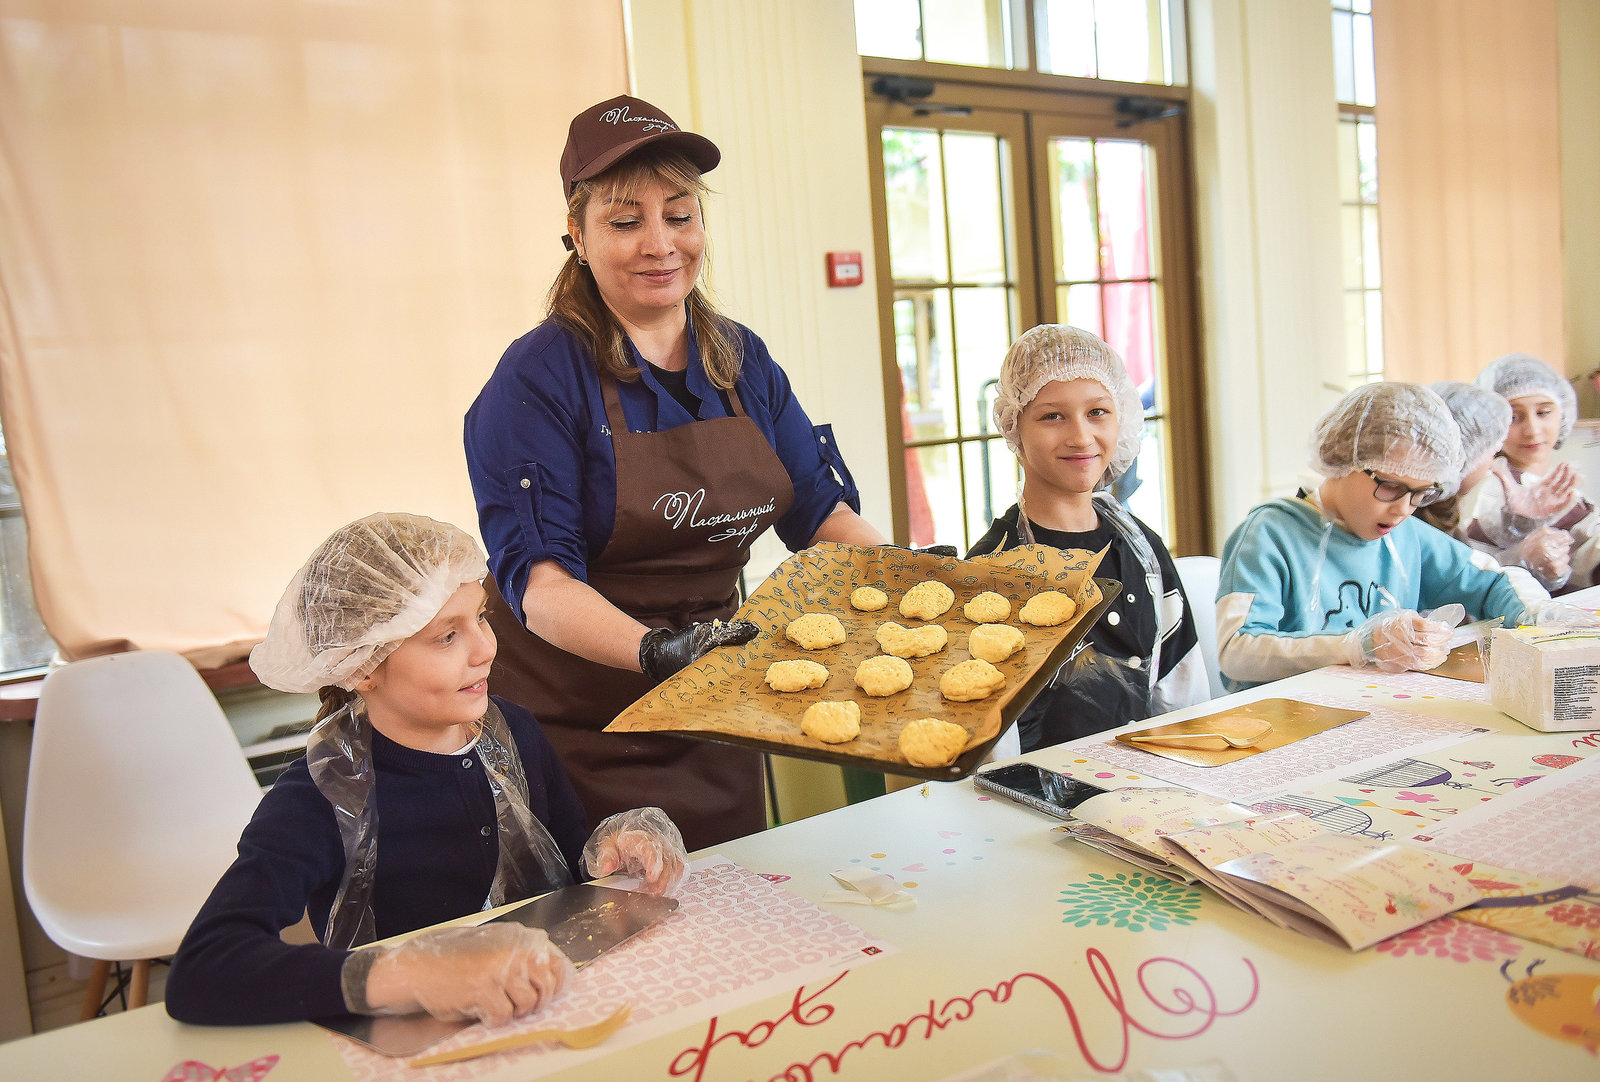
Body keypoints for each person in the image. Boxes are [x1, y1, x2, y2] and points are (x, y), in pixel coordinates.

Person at [464, 95, 887, 851]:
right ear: (577, 234)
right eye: (625, 221)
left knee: (728, 923)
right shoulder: (535, 382)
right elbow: (542, 586)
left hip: (713, 711)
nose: (660, 244)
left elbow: (820, 515)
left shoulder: (740, 360)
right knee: (605, 948)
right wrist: (658, 652)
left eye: (680, 215)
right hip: (576, 731)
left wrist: (904, 578)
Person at [166, 513, 688, 1027]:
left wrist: (610, 850)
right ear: (362, 664)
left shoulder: (518, 733)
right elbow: (204, 972)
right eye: (446, 637)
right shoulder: (320, 797)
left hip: (545, 1009)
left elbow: (569, 863)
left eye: (481, 616)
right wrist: (413, 975)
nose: (485, 649)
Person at [966, 325, 1208, 750]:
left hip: (1146, 790)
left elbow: (1183, 697)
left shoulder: (1143, 550)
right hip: (1030, 802)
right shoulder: (992, 570)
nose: (1080, 436)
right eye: (1052, 416)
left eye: (1097, 412)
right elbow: (987, 741)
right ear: (1014, 426)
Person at [1216, 382, 1529, 692]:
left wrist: (1537, 615)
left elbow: (1493, 581)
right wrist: (1357, 646)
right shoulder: (1270, 535)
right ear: (1342, 457)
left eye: (1420, 494)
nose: (1403, 509)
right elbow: (1237, 650)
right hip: (1277, 718)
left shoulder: (1405, 537)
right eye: (1391, 487)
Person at [1419, 380, 1567, 599]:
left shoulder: (1444, 510)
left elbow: (1464, 571)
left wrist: (1520, 528)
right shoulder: (1418, 524)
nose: (1491, 461)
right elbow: (1453, 595)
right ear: (1462, 455)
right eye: (1489, 450)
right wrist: (1521, 560)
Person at [1468, 353, 1597, 594]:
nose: (1532, 430)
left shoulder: (1557, 483)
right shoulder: (1492, 491)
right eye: (1514, 417)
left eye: (1543, 412)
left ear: (1563, 412)